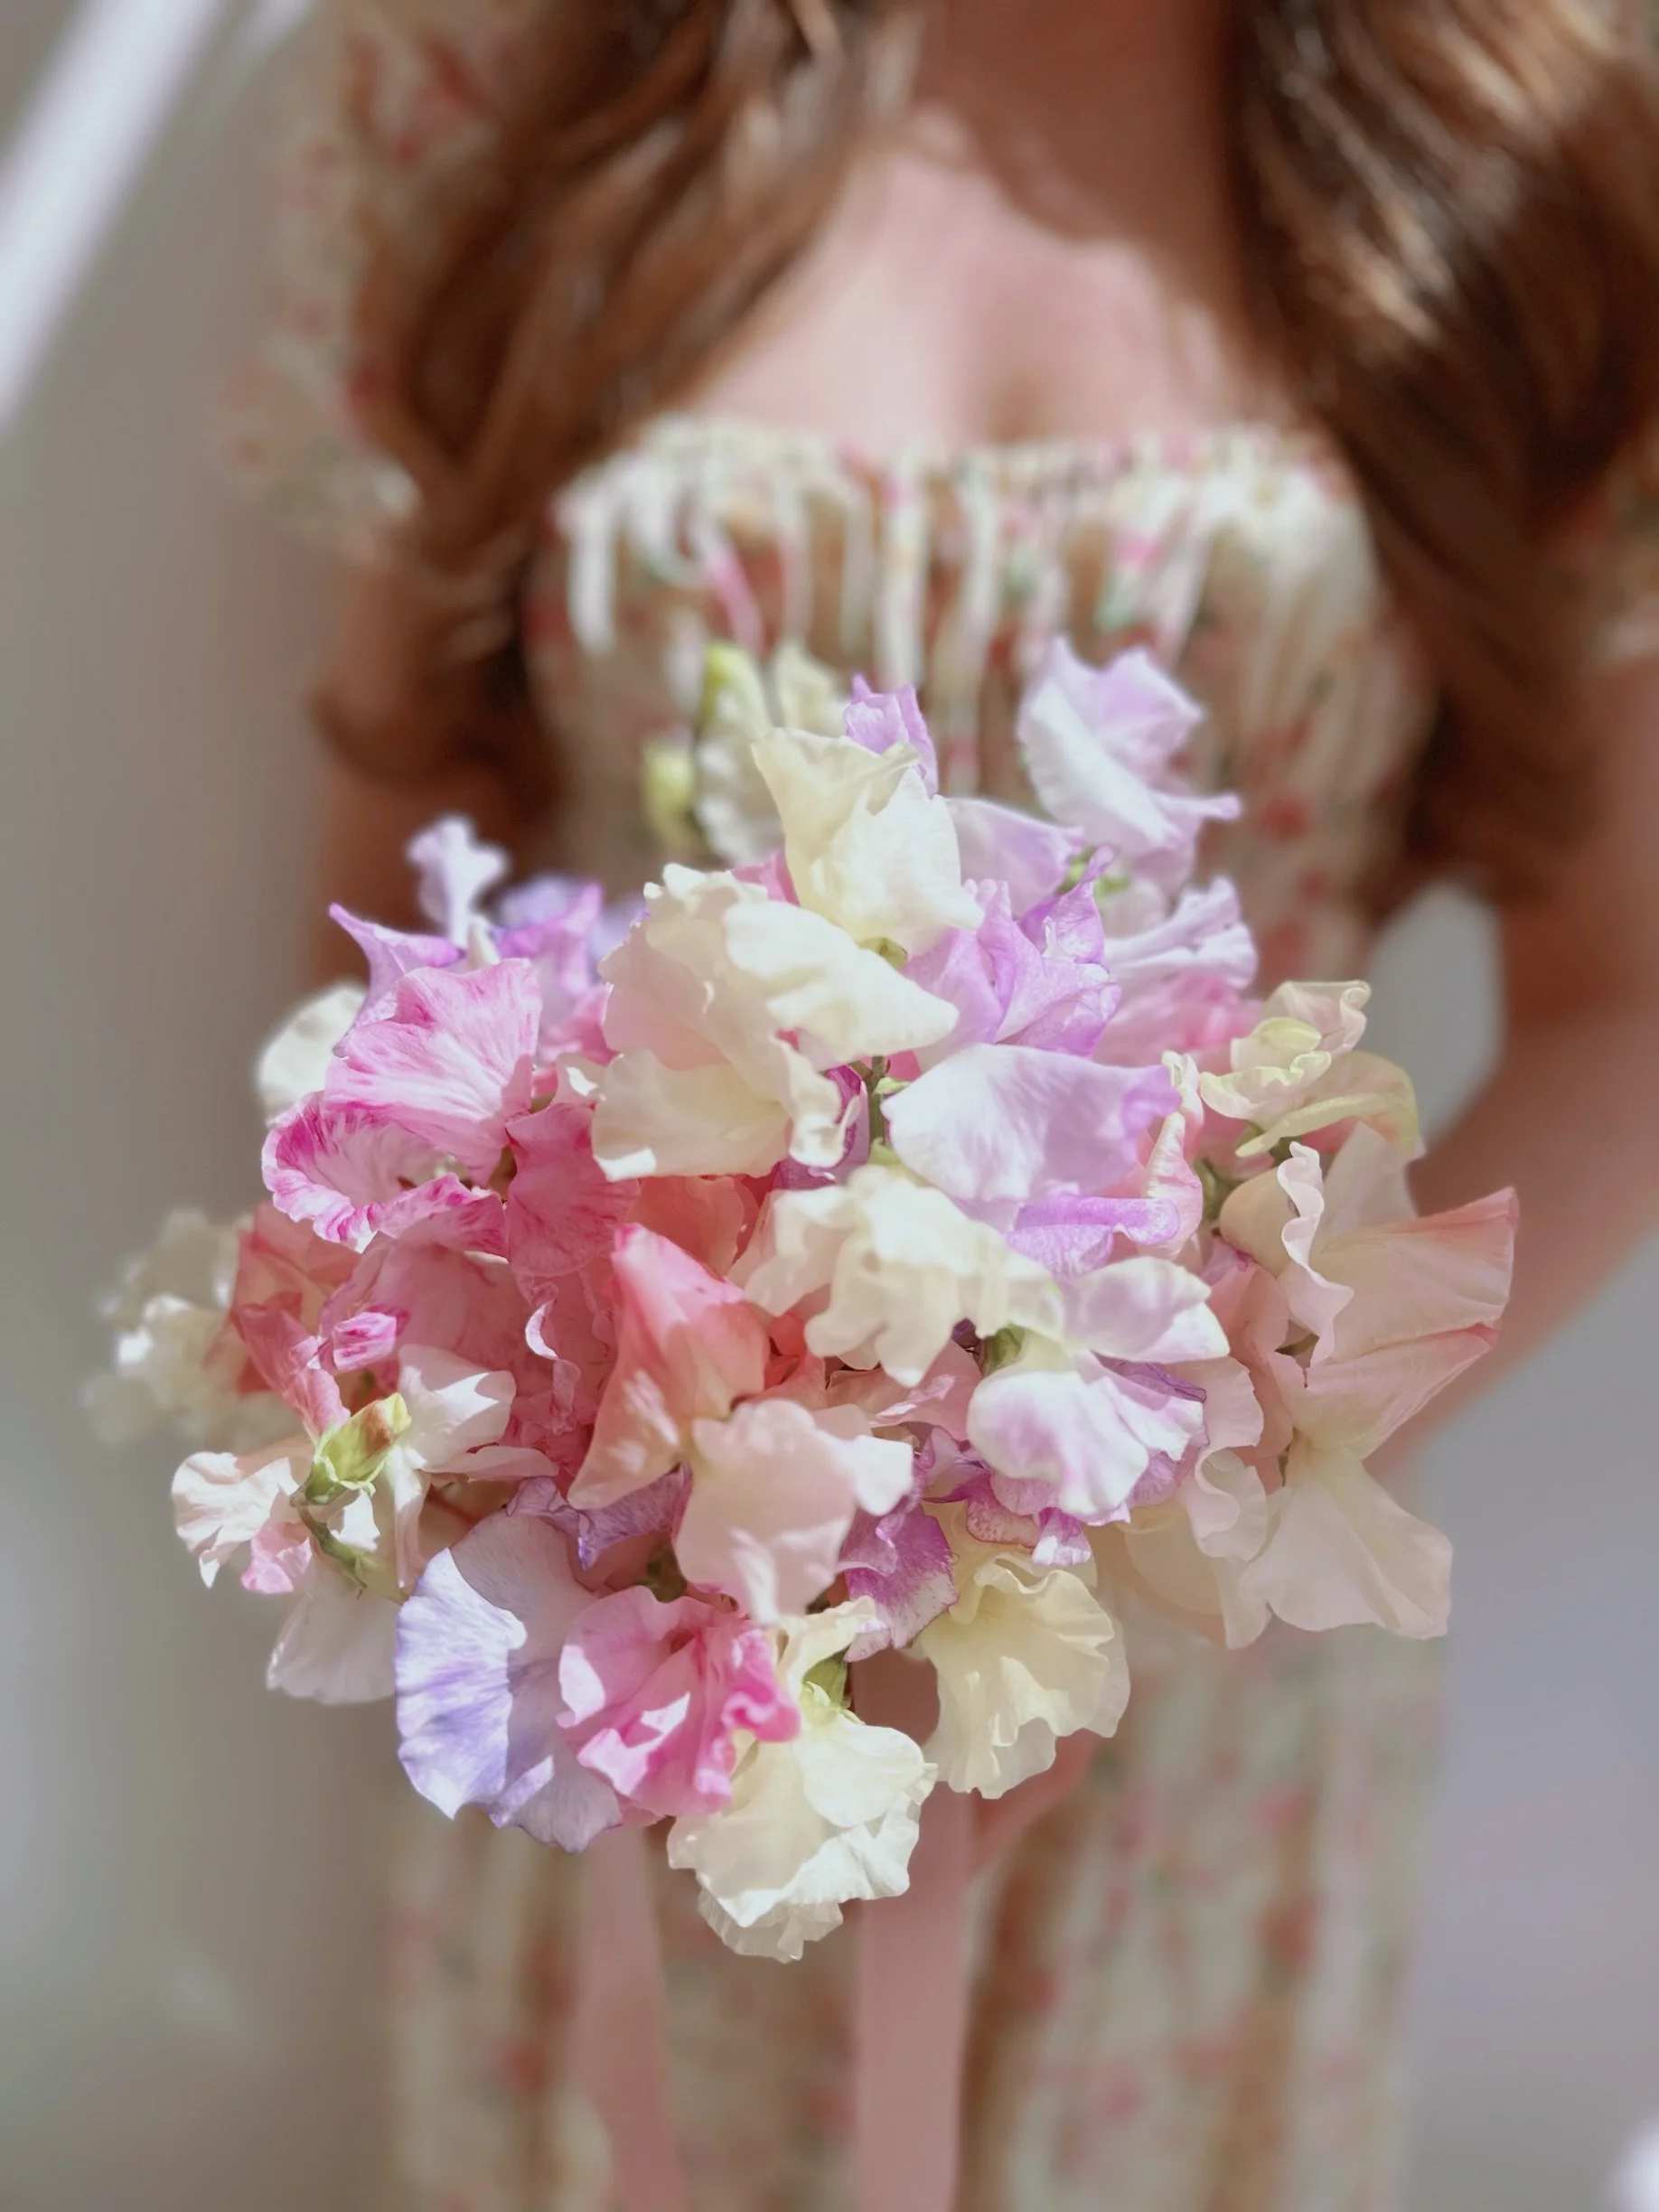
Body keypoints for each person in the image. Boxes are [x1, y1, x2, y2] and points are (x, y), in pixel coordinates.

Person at [225, 2, 1659, 2205]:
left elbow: (1626, 1012)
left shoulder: (1538, 114)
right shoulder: (481, 63)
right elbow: (392, 882)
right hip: (636, 1648)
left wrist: (1170, 1531)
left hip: (1182, 1673)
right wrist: (521, 1419)